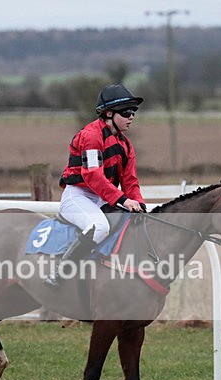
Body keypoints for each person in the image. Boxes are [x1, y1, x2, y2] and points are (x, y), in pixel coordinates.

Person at [44, 84, 146, 289]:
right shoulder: (91, 136)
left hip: (103, 197)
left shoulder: (125, 145)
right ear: (109, 113)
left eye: (133, 112)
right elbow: (92, 176)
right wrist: (124, 200)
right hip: (79, 196)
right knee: (99, 227)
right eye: (126, 112)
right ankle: (60, 272)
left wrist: (139, 204)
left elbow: (130, 182)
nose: (131, 116)